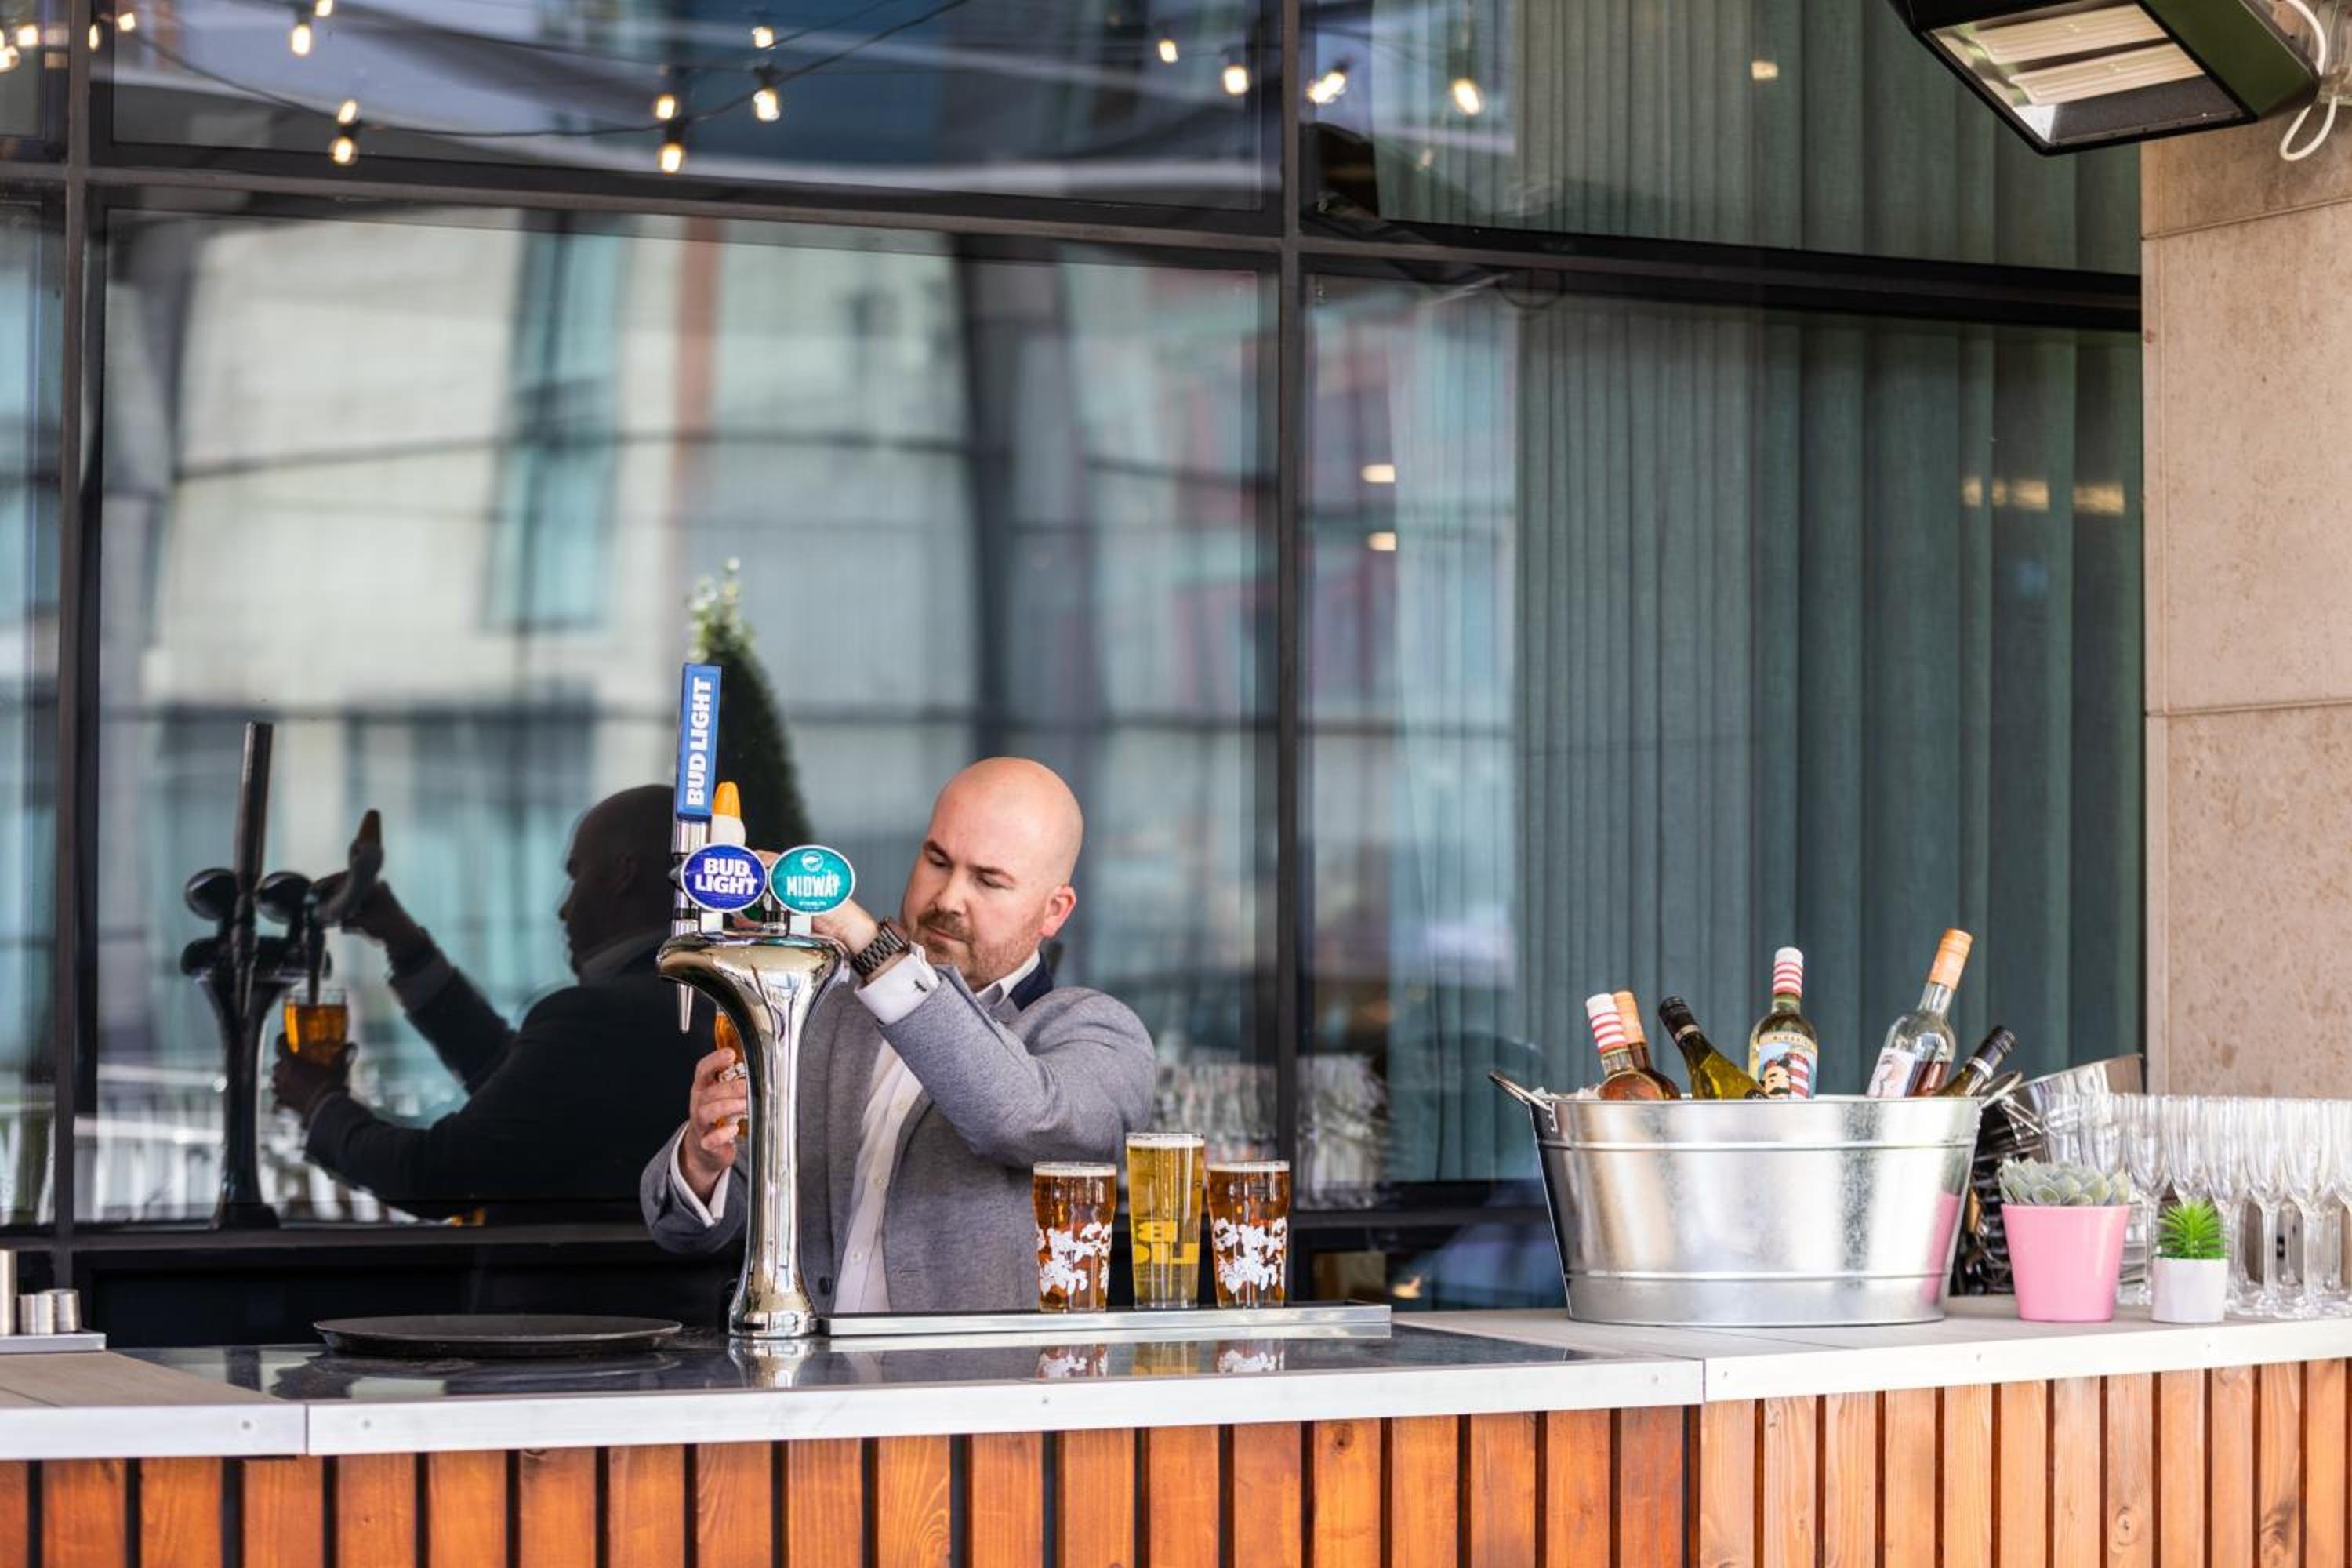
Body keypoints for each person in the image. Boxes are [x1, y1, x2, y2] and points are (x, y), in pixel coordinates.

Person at [641, 757, 1156, 1313]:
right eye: (937, 860)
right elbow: (689, 1232)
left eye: (988, 880)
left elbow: (1018, 1117)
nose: (948, 899)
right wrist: (703, 1163)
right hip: (805, 1366)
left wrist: (866, 942)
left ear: (1054, 911)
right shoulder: (826, 1007)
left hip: (971, 1373)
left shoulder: (1099, 1033)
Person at [273, 785, 713, 1225]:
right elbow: (518, 1090)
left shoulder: (599, 1018)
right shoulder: (701, 998)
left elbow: (435, 1174)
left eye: (576, 875)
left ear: (623, 875)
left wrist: (320, 1104)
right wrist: (406, 946)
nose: (563, 909)